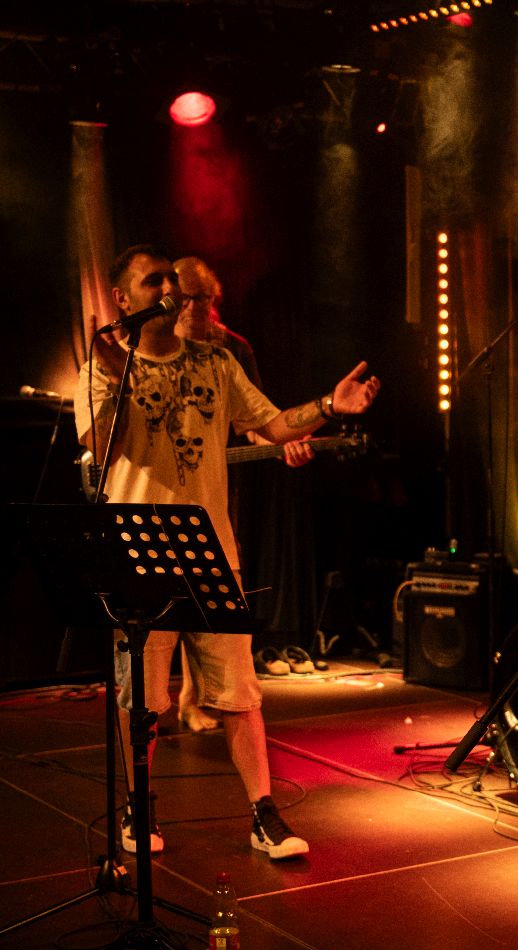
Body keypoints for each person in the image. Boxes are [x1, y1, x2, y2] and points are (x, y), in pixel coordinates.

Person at [75, 244, 381, 860]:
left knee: (240, 696)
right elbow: (100, 445)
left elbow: (273, 424)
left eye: (172, 280)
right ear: (123, 299)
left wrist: (328, 406)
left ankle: (263, 816)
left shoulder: (215, 363)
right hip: (138, 559)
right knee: (142, 702)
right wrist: (117, 374)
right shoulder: (100, 370)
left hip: (212, 554)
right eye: (154, 281)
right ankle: (138, 809)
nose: (169, 290)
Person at [171, 256, 314, 734]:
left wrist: (281, 443)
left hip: (214, 484)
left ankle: (195, 696)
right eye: (185, 298)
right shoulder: (157, 346)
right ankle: (176, 699)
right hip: (168, 484)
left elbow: (255, 420)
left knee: (208, 591)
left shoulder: (231, 350)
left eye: (203, 299)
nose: (194, 307)